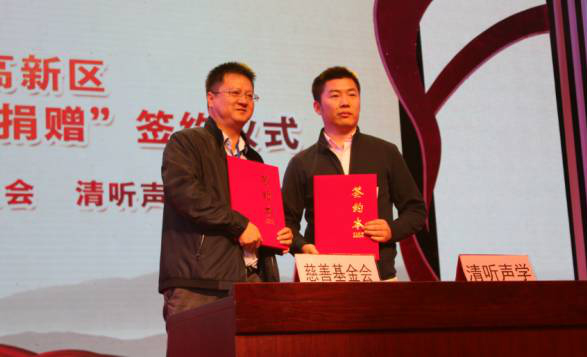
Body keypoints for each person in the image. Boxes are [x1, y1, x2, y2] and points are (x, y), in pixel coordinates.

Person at [159, 62, 293, 320]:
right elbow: (186, 194)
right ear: (211, 98)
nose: (243, 100)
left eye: (249, 95)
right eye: (235, 93)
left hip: (252, 281)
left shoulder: (254, 158)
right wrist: (240, 225)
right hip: (200, 281)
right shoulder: (186, 142)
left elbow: (258, 220)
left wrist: (276, 237)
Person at [282, 66, 426, 281]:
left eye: (352, 94)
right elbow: (286, 222)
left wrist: (391, 230)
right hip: (323, 276)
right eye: (335, 95)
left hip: (379, 276)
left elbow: (416, 211)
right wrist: (302, 246)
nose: (345, 102)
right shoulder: (302, 163)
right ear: (317, 107)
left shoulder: (385, 152)